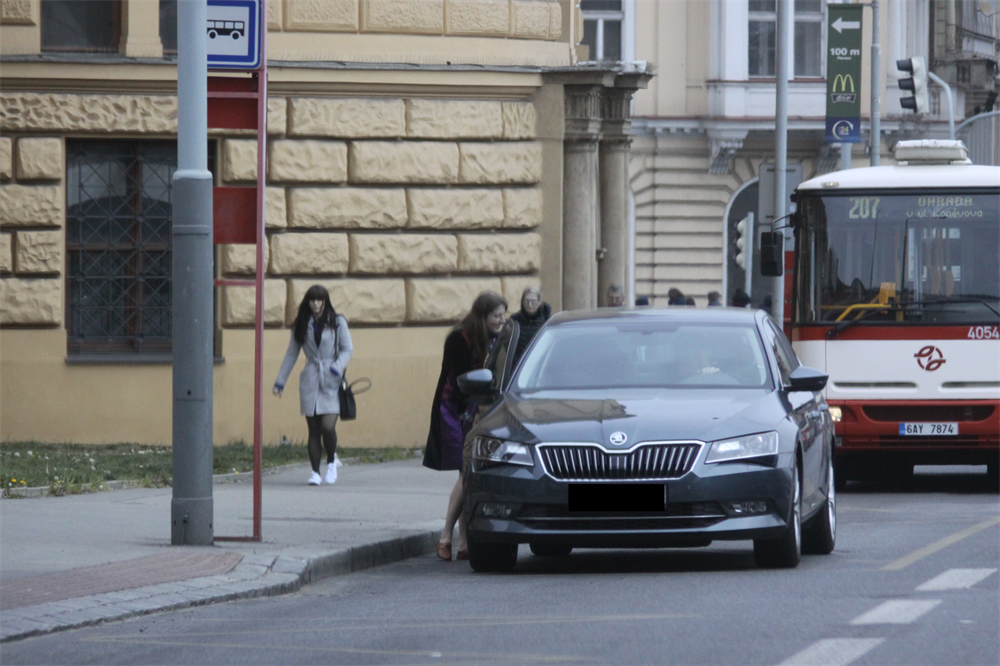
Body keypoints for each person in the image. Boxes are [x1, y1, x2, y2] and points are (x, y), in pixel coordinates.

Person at [424, 291, 508, 561]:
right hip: (454, 410)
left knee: (467, 473)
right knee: (466, 473)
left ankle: (463, 543)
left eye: (503, 315)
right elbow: (462, 381)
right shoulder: (460, 338)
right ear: (482, 315)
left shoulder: (494, 339)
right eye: (496, 315)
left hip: (475, 411)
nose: (500, 320)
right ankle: (446, 537)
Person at [273, 285, 353, 486]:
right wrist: (280, 382)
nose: (316, 304)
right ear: (308, 302)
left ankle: (332, 461)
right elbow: (291, 353)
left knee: (328, 426)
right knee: (314, 430)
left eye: (320, 300)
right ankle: (315, 472)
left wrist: (337, 366)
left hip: (332, 380)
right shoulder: (302, 324)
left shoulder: (337, 322)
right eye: (312, 300)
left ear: (325, 302)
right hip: (310, 379)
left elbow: (347, 349)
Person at [510, 286, 551, 364]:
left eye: (533, 301)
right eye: (526, 301)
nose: (529, 304)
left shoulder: (547, 321)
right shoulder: (515, 320)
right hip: (518, 364)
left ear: (539, 302)